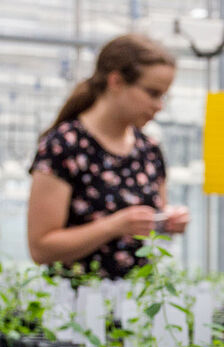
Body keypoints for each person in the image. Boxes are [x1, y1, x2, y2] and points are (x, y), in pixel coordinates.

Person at [27, 33, 189, 279]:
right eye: (152, 93)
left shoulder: (149, 150)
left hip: (139, 302)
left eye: (164, 96)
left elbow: (151, 222)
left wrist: (167, 221)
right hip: (76, 305)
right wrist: (115, 226)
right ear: (116, 82)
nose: (159, 105)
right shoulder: (64, 146)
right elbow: (40, 248)